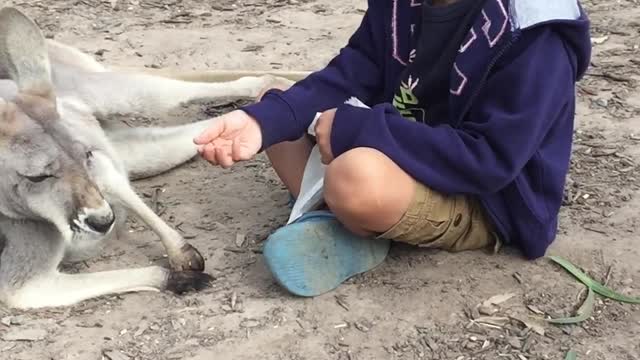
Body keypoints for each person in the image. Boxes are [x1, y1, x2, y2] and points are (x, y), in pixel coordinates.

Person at [193, 0, 592, 297]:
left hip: (482, 197)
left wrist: (362, 129)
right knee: (278, 106)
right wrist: (261, 122)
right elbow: (352, 72)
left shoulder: (535, 31)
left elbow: (490, 160)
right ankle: (353, 225)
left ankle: (353, 219)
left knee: (355, 176)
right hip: (402, 152)